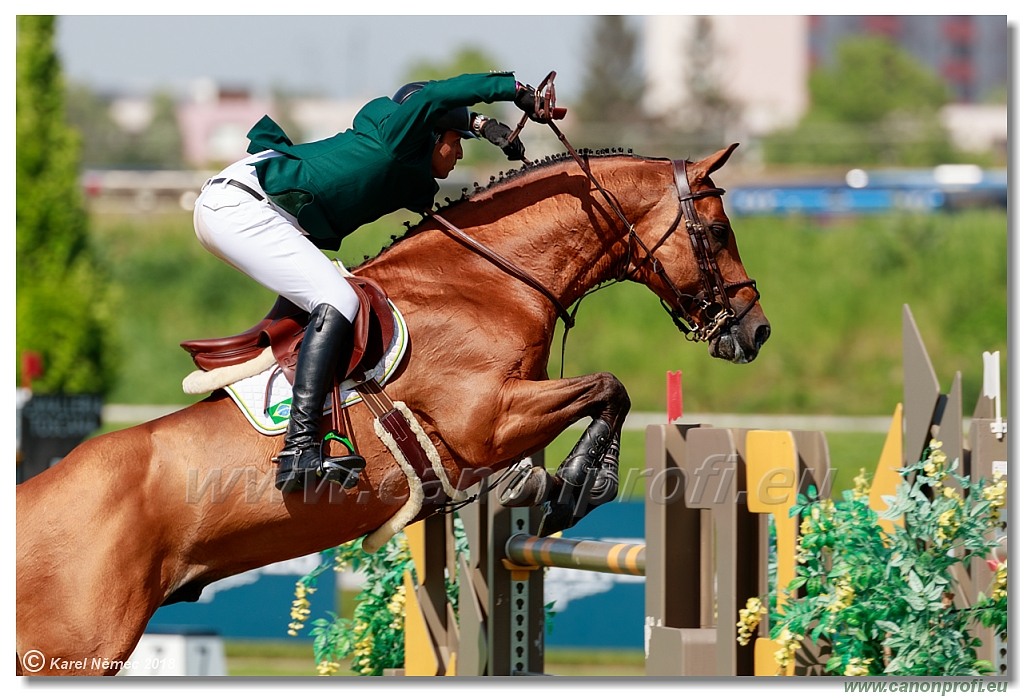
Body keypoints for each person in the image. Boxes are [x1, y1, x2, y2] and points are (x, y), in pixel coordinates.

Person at [193, 71, 544, 495]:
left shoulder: (404, 157)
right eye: (456, 142)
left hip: (240, 205)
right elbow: (433, 96)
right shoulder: (397, 139)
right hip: (240, 208)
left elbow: (435, 113)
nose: (458, 155)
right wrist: (517, 92)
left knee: (338, 290)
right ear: (430, 134)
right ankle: (299, 447)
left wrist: (483, 127)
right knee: (337, 298)